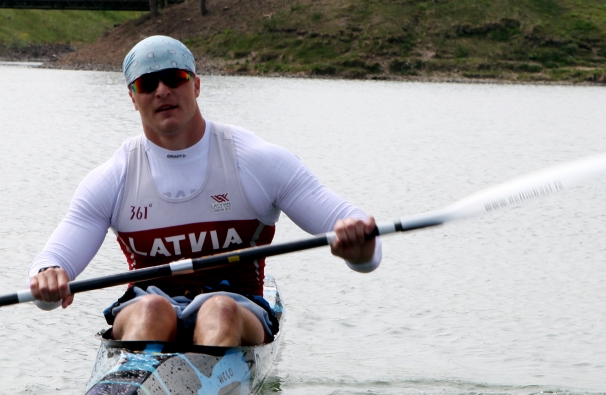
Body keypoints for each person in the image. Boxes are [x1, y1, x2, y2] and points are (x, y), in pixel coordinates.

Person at [29, 35, 380, 347]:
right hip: (145, 307)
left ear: (196, 85)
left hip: (237, 308)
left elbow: (362, 242)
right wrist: (49, 279)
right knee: (152, 308)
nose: (162, 90)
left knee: (218, 309)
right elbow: (51, 265)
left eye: (175, 78)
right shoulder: (115, 176)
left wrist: (358, 248)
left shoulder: (257, 161)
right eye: (147, 83)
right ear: (133, 98)